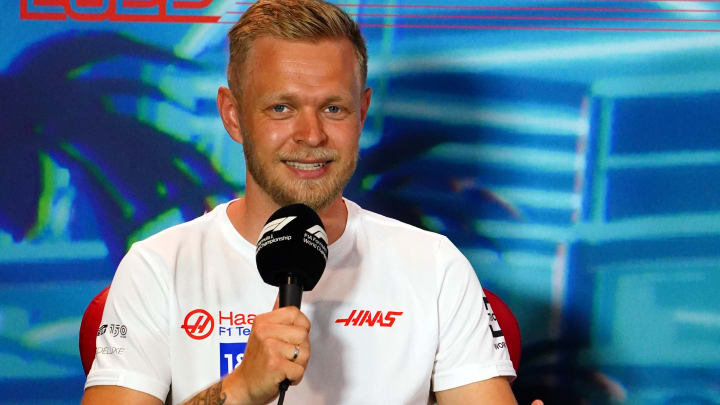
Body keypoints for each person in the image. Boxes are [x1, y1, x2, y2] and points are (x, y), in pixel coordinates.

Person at [82, 0, 519, 404]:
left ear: (362, 114)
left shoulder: (435, 266)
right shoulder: (158, 266)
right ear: (233, 115)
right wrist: (239, 389)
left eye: (333, 109)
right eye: (281, 109)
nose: (311, 135)